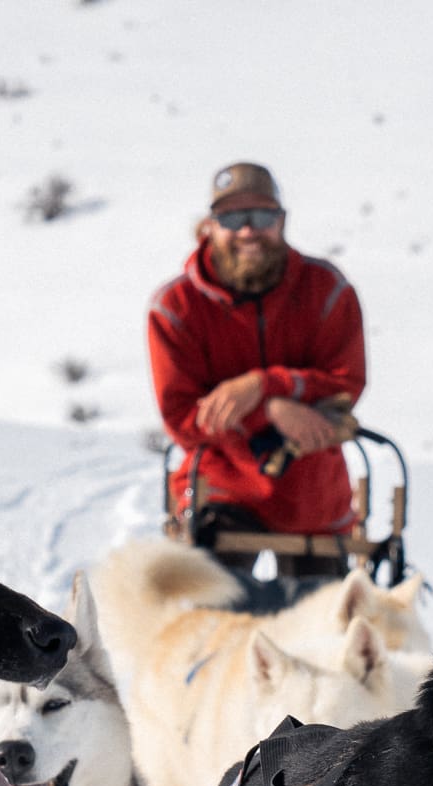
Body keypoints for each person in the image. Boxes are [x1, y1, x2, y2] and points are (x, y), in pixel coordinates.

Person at [147, 162, 366, 579]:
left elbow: (346, 381)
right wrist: (272, 411)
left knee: (323, 633)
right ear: (209, 226)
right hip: (220, 489)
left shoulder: (327, 290)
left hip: (313, 491)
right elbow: (183, 418)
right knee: (208, 622)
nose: (248, 231)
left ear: (281, 222)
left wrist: (264, 388)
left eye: (262, 216)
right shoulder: (175, 307)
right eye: (233, 218)